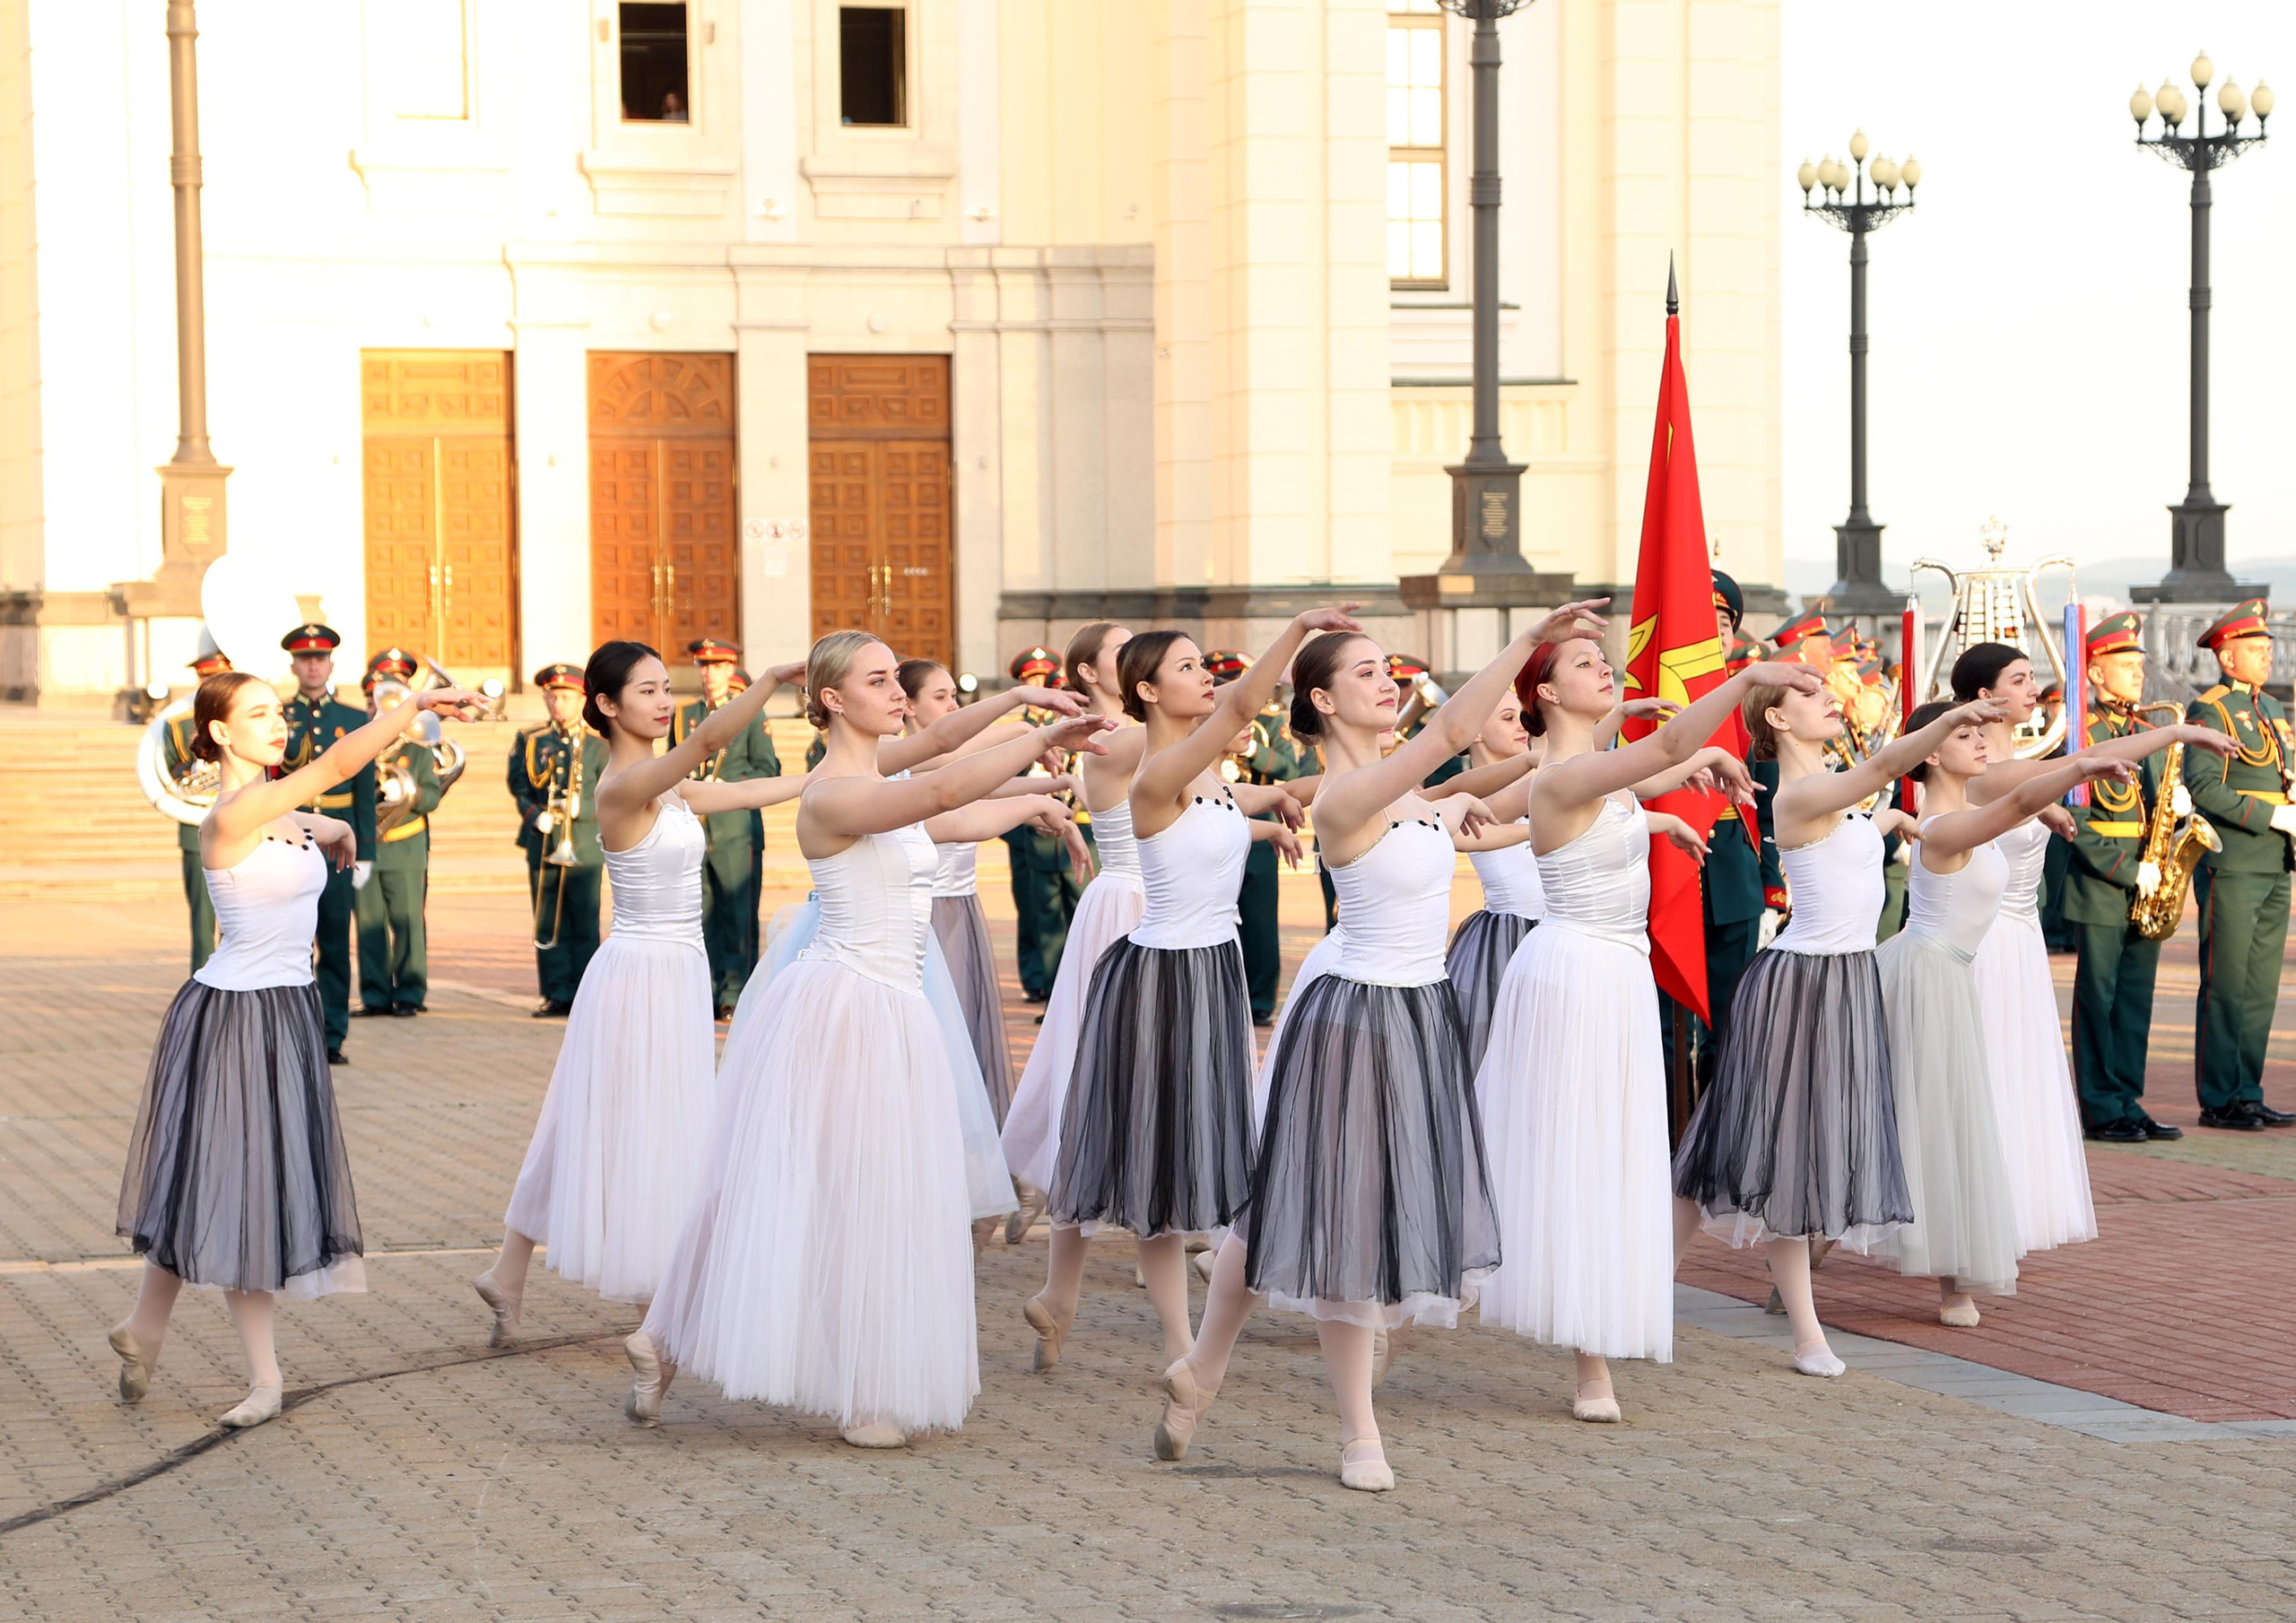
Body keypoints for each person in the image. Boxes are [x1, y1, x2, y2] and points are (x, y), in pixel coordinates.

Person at [1156, 606, 1602, 1492]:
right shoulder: (1343, 796)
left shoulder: (1415, 798)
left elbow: (1540, 771)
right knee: (1342, 1222)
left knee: (1284, 1206)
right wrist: (1529, 642)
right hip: (1354, 1020)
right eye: (1363, 672)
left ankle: (1201, 1367)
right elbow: (1453, 728)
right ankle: (1360, 1432)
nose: (1384, 677)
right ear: (1320, 699)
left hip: (1421, 1014)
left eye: (1385, 667)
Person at [627, 633, 1112, 1447]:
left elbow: (949, 778)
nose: (898, 693)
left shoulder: (878, 775)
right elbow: (940, 790)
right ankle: (851, 1386)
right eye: (879, 681)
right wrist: (1035, 739)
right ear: (832, 700)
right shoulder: (829, 796)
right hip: (842, 1009)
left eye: (898, 680)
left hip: (896, 1009)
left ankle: (667, 1336)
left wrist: (1027, 739)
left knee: (829, 1183)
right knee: (825, 1188)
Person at [109, 669, 485, 1428]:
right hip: (238, 1016)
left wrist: (334, 828)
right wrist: (408, 709)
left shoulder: (277, 812)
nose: (277, 722)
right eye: (258, 714)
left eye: (278, 710)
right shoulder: (234, 812)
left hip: (282, 1011)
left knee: (208, 1181)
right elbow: (336, 767)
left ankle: (144, 1329)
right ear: (218, 733)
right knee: (247, 1194)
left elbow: (305, 817)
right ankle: (266, 1379)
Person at [1476, 638, 1813, 1424]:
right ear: (1547, 695)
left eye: (1606, 660)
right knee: (1569, 1154)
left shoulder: (1599, 773)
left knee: (1608, 1152)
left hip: (1619, 972)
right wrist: (1747, 681)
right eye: (1585, 663)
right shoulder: (1556, 776)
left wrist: (1684, 782)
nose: (1606, 668)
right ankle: (1587, 1362)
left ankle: (1583, 1339)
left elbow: (1645, 773)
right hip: (1576, 972)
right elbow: (1658, 749)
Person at [474, 648, 811, 1339]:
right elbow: (708, 740)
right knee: (647, 1130)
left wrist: (842, 775)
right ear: (607, 705)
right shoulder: (622, 787)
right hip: (639, 976)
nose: (665, 701)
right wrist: (773, 680)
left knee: (579, 1117)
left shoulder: (668, 788)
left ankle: (507, 1274)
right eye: (648, 690)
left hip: (675, 971)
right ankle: (655, 1316)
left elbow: (748, 792)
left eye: (667, 689)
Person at [1029, 615, 1329, 1377]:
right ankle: (1176, 1342)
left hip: (1212, 970)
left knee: (1178, 1157)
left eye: (1207, 666)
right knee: (1159, 1158)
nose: (1209, 678)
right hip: (1162, 977)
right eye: (1191, 667)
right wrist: (1295, 633)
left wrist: (1311, 800)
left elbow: (1232, 816)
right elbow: (1235, 714)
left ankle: (1101, 1310)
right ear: (1146, 690)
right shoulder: (1155, 766)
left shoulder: (1204, 778)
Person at [1674, 690, 2004, 1376]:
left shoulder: (1833, 795)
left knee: (1788, 1154)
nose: (1830, 701)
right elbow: (1878, 768)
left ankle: (1802, 1333)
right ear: (1776, 719)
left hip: (1847, 982)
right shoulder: (1794, 795)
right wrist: (1943, 724)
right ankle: (1778, 1325)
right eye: (1811, 696)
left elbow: (1858, 816)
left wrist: (1891, 821)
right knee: (1749, 1145)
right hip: (1801, 984)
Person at [1955, 642, 2233, 1246]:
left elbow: (2049, 783)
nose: (2034, 691)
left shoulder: (2022, 766)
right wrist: (2179, 730)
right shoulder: (1982, 772)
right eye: (2020, 680)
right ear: (1984, 697)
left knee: (2018, 1086)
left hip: (2024, 942)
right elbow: (2085, 759)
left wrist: (2053, 807)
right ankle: (1958, 1234)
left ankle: (1998, 1220)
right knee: (1979, 1088)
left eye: (2034, 679)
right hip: (1985, 943)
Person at [1874, 701, 2135, 1326]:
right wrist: (2079, 771)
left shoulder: (1961, 815)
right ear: (1931, 753)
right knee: (1922, 1120)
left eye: (1978, 730)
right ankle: (1937, 1278)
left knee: (1934, 1120)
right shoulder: (1940, 824)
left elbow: (2017, 805)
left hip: (1953, 973)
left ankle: (1943, 1274)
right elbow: (2014, 805)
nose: (1980, 741)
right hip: (1924, 975)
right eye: (1963, 734)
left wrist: (2075, 779)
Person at [899, 655, 1092, 1126]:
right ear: (907, 705)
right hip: (919, 913)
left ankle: (958, 1137)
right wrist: (1026, 731)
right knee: (933, 1033)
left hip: (960, 905)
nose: (952, 706)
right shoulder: (901, 753)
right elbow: (951, 765)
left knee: (963, 1028)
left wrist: (1057, 787)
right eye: (940, 697)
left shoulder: (939, 756)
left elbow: (986, 790)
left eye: (954, 696)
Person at [1001, 622, 1144, 1248]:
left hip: (1173, 901)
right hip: (1132, 906)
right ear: (1087, 672)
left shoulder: (1144, 730)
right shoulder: (1112, 736)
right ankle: (1135, 1205)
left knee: (1110, 1052)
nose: (1138, 654)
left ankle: (1044, 1168)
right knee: (1111, 1055)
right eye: (1122, 650)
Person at [2066, 614, 2180, 1142]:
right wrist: (2131, 869)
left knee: (2135, 998)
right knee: (2100, 996)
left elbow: (2155, 806)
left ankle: (2128, 1099)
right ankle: (2099, 1104)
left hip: (2149, 878)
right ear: (2094, 672)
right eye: (2127, 665)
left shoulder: (2141, 731)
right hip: (2104, 883)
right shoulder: (2079, 735)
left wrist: (2176, 814)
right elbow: (2076, 824)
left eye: (2139, 665)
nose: (2139, 674)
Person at [2183, 602, 2296, 1133]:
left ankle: (2248, 1090)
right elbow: (2204, 787)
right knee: (2227, 984)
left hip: (2275, 863)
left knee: (2260, 986)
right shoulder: (2211, 711)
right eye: (2256, 649)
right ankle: (2220, 1097)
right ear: (2227, 658)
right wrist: (2274, 815)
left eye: (2268, 648)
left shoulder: (2272, 710)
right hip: (2234, 862)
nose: (2267, 656)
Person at [1662, 570, 1770, 1094]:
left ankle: (1719, 1132)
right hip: (1664, 864)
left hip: (1732, 870)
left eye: (1721, 623)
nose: (1713, 635)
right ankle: (1667, 1129)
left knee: (1729, 1023)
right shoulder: (1655, 695)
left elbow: (1767, 801)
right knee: (1664, 1024)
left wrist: (1771, 879)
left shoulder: (1752, 704)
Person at [280, 625, 377, 1065]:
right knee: (290, 943)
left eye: (320, 658)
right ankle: (289, 1032)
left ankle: (330, 1035)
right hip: (289, 841)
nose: (313, 665)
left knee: (335, 943)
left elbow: (364, 790)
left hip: (336, 847)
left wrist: (367, 853)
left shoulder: (356, 720)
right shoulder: (278, 717)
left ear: (331, 664)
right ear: (294, 665)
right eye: (304, 659)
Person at [672, 638, 783, 1019]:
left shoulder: (750, 715)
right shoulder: (683, 714)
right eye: (704, 666)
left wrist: (728, 789)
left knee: (737, 913)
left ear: (731, 668)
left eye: (717, 666)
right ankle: (704, 988)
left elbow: (768, 769)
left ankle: (735, 994)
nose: (709, 673)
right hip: (694, 827)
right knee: (699, 911)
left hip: (735, 828)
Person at [1208, 650, 1308, 1025]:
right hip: (1224, 824)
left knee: (1260, 918)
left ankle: (1260, 999)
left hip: (1256, 826)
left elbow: (1288, 768)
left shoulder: (1266, 724)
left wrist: (1252, 749)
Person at [509, 664, 608, 1018]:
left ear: (582, 699)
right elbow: (519, 785)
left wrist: (584, 808)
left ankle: (584, 991)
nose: (557, 703)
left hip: (583, 840)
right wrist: (535, 814)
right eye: (552, 696)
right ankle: (555, 991)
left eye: (565, 697)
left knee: (584, 918)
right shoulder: (532, 739)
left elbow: (612, 787)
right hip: (544, 839)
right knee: (547, 916)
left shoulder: (600, 744)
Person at [351, 650, 445, 1019]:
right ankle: (374, 995)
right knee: (369, 921)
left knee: (406, 921)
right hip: (364, 843)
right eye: (373, 704)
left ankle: (409, 991)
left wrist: (407, 793)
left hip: (404, 841)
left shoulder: (417, 744)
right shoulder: (356, 743)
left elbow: (432, 796)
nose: (378, 711)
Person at [1004, 647, 1084, 1001]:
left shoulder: (1073, 726)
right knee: (1036, 913)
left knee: (1078, 913)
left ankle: (1075, 987)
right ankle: (1041, 982)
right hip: (1031, 836)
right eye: (1030, 681)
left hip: (1079, 828)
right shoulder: (1015, 731)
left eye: (1043, 680)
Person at [161, 642, 234, 971]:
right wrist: (194, 771)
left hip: (239, 823)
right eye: (207, 680)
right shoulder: (177, 726)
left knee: (241, 916)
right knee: (203, 918)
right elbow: (172, 772)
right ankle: (203, 984)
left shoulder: (243, 720)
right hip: (196, 826)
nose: (213, 686)